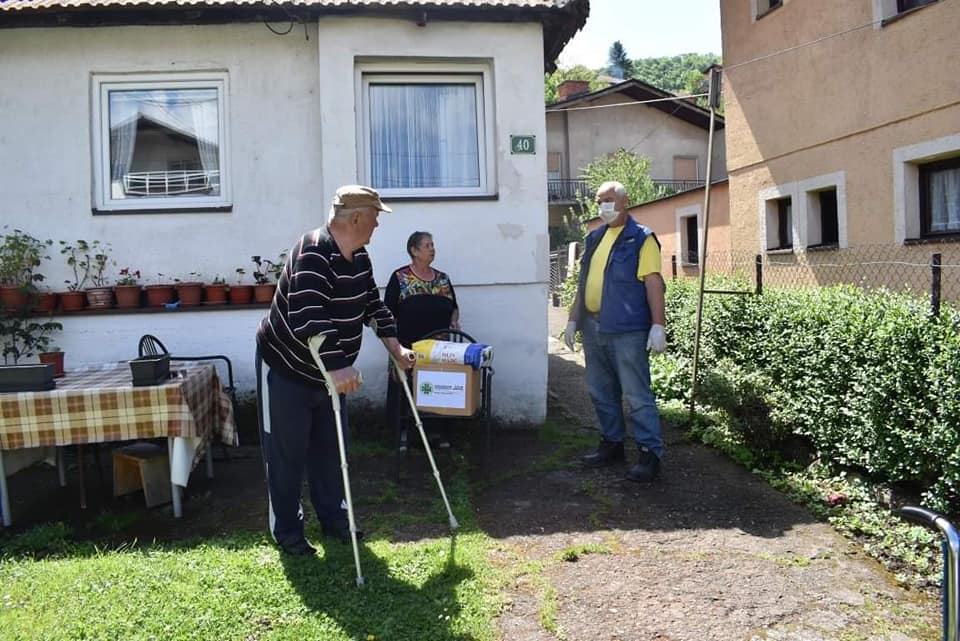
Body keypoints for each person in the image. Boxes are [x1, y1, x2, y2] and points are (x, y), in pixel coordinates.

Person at [256, 184, 416, 556]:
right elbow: (308, 316)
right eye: (376, 217)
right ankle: (289, 533)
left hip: (329, 375)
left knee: (331, 450)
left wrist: (395, 347)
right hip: (287, 369)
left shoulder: (359, 258)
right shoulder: (313, 250)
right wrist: (340, 365)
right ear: (357, 217)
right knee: (287, 454)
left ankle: (335, 520)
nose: (378, 225)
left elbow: (373, 307)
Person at [564, 181, 668, 482]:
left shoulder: (641, 238)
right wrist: (573, 319)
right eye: (599, 201)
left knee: (637, 394)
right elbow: (583, 284)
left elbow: (653, 283)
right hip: (593, 327)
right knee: (600, 392)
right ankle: (612, 444)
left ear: (625, 202)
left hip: (627, 331)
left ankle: (650, 454)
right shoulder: (594, 237)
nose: (603, 206)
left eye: (609, 200)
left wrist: (658, 324)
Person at [383, 231, 460, 449]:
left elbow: (454, 307)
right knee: (405, 389)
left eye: (433, 245)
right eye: (427, 245)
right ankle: (403, 433)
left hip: (438, 349)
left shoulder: (443, 279)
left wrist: (454, 321)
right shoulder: (400, 278)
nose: (432, 249)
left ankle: (439, 432)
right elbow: (387, 313)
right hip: (408, 347)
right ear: (414, 251)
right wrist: (394, 345)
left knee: (438, 389)